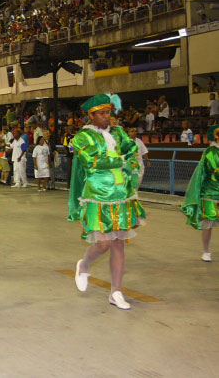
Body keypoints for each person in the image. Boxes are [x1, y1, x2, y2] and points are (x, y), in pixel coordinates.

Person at [69, 94, 145, 310]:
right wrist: (120, 161)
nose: (106, 118)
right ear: (91, 115)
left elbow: (132, 151)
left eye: (108, 113)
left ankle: (116, 292)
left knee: (118, 243)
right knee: (102, 243)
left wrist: (130, 164)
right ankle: (84, 265)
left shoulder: (119, 132)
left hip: (121, 194)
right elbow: (92, 162)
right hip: (97, 196)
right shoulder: (82, 138)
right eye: (101, 114)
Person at [181, 125, 219, 262]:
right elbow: (213, 171)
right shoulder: (210, 151)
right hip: (210, 193)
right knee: (208, 224)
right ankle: (206, 251)